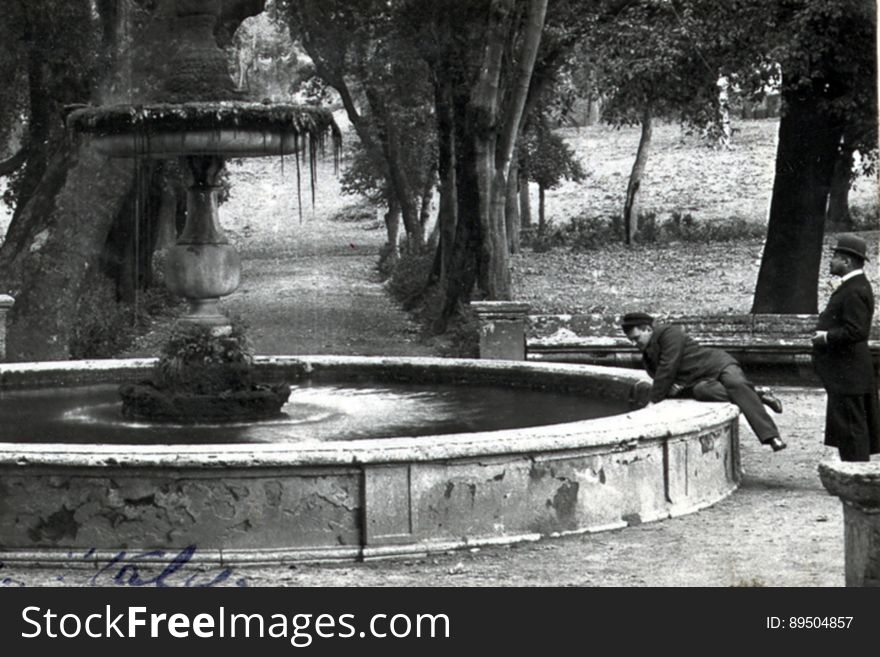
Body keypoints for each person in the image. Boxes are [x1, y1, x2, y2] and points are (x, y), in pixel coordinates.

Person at [621, 311, 786, 452]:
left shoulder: (669, 334)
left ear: (647, 329)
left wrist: (653, 401)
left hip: (719, 366)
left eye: (636, 338)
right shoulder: (648, 356)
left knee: (736, 385)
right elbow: (662, 377)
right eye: (632, 341)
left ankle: (771, 437)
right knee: (703, 392)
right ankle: (759, 394)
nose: (634, 344)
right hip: (700, 381)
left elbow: (668, 367)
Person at [811, 234, 880, 462]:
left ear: (847, 262)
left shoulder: (854, 290)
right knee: (848, 425)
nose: (830, 261)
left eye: (835, 257)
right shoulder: (853, 286)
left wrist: (826, 337)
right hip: (847, 372)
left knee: (852, 426)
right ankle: (852, 470)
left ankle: (855, 474)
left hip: (849, 372)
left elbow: (856, 331)